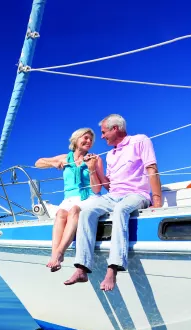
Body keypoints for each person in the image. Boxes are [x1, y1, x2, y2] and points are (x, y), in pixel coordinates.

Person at [64, 114, 163, 291]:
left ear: (115, 128)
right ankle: (82, 268)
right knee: (86, 212)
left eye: (103, 132)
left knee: (120, 210)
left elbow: (152, 168)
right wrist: (93, 169)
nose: (101, 137)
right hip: (114, 195)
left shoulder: (140, 140)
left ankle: (113, 269)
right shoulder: (110, 155)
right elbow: (109, 186)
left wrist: (157, 201)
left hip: (136, 194)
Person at [35, 128, 103, 272]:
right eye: (85, 138)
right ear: (76, 140)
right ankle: (54, 254)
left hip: (89, 196)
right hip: (69, 197)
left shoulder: (95, 159)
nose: (88, 141)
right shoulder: (65, 158)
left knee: (74, 211)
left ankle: (59, 253)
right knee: (60, 214)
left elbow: (97, 189)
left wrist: (91, 168)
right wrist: (53, 164)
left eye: (91, 140)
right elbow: (38, 162)